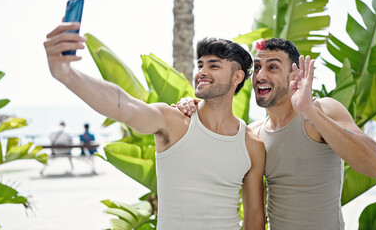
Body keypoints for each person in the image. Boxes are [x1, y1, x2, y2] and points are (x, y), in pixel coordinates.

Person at [43, 21, 266, 229]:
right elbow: (125, 105)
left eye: (214, 66)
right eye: (200, 65)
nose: (202, 72)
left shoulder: (251, 144)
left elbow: (255, 215)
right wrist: (67, 75)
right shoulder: (174, 121)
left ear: (237, 77)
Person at [176, 38, 376, 229]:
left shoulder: (323, 110)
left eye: (272, 67)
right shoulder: (255, 134)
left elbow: (375, 165)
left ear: (294, 75)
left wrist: (309, 112)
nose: (260, 76)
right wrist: (189, 110)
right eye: (257, 67)